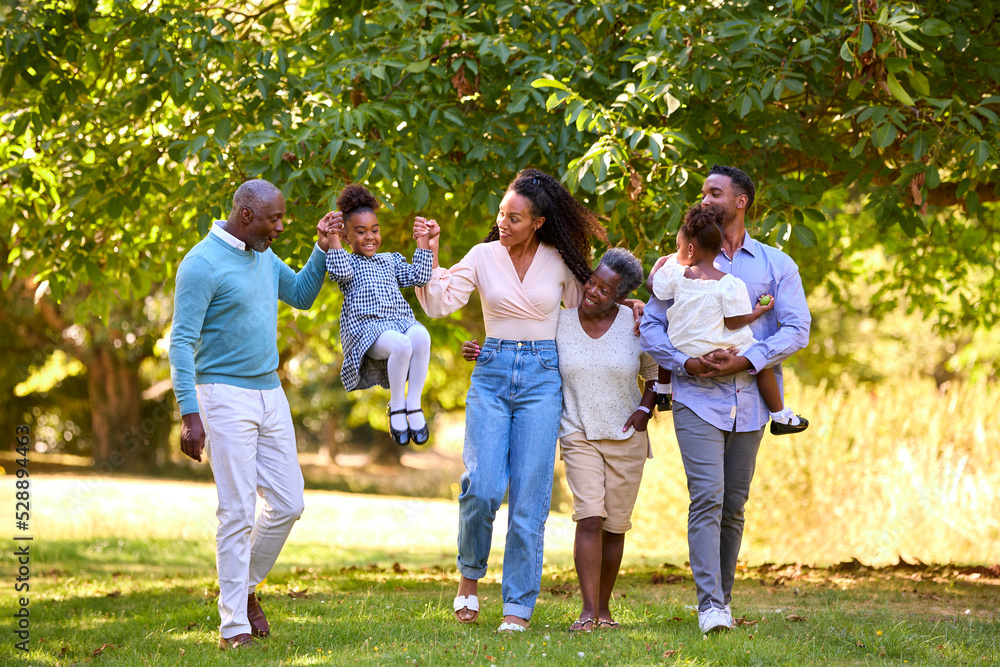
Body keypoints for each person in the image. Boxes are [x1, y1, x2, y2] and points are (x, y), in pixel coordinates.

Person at [416, 168, 607, 633]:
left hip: (542, 379)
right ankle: (468, 580)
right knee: (481, 487)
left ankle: (517, 606)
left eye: (515, 218)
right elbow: (440, 303)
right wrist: (428, 253)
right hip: (493, 372)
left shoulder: (560, 262)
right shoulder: (483, 256)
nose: (504, 222)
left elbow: (593, 309)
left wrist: (634, 309)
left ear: (539, 222)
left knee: (529, 497)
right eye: (502, 213)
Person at [639, 164, 811, 634]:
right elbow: (651, 325)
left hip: (752, 402)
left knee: (734, 503)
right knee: (707, 498)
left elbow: (798, 329)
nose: (706, 198)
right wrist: (683, 363)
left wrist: (748, 360)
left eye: (715, 192)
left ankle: (724, 600)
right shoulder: (680, 265)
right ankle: (709, 605)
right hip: (697, 398)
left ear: (740, 201)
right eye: (703, 193)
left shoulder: (776, 265)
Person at [169, 179, 335, 650]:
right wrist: (190, 413)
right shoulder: (201, 264)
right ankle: (233, 627)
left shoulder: (260, 253)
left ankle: (243, 590)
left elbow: (301, 294)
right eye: (273, 220)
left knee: (288, 503)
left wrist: (321, 249)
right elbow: (181, 342)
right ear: (246, 216)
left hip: (270, 392)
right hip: (223, 397)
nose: (280, 228)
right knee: (238, 510)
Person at [463, 248, 657, 632]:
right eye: (593, 281)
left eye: (606, 289)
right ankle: (587, 611)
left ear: (621, 296)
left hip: (625, 434)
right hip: (577, 430)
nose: (594, 291)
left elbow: (655, 373)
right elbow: (521, 343)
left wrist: (644, 411)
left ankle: (604, 610)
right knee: (590, 516)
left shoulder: (637, 324)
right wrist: (487, 353)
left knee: (615, 525)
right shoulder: (560, 321)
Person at [649, 205, 808, 434]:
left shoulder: (675, 273)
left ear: (690, 249)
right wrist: (758, 312)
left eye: (678, 248)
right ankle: (780, 415)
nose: (676, 253)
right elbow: (734, 322)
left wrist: (659, 266)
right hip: (720, 350)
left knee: (664, 335)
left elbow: (653, 289)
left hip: (683, 350)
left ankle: (663, 389)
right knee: (759, 359)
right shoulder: (729, 283)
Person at [323, 183, 433, 446]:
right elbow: (339, 271)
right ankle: (396, 405)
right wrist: (333, 237)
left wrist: (423, 242)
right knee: (401, 344)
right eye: (360, 232)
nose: (369, 237)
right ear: (348, 238)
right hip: (366, 330)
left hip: (398, 321)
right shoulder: (346, 262)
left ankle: (413, 403)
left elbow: (419, 275)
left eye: (374, 230)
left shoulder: (390, 259)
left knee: (421, 336)